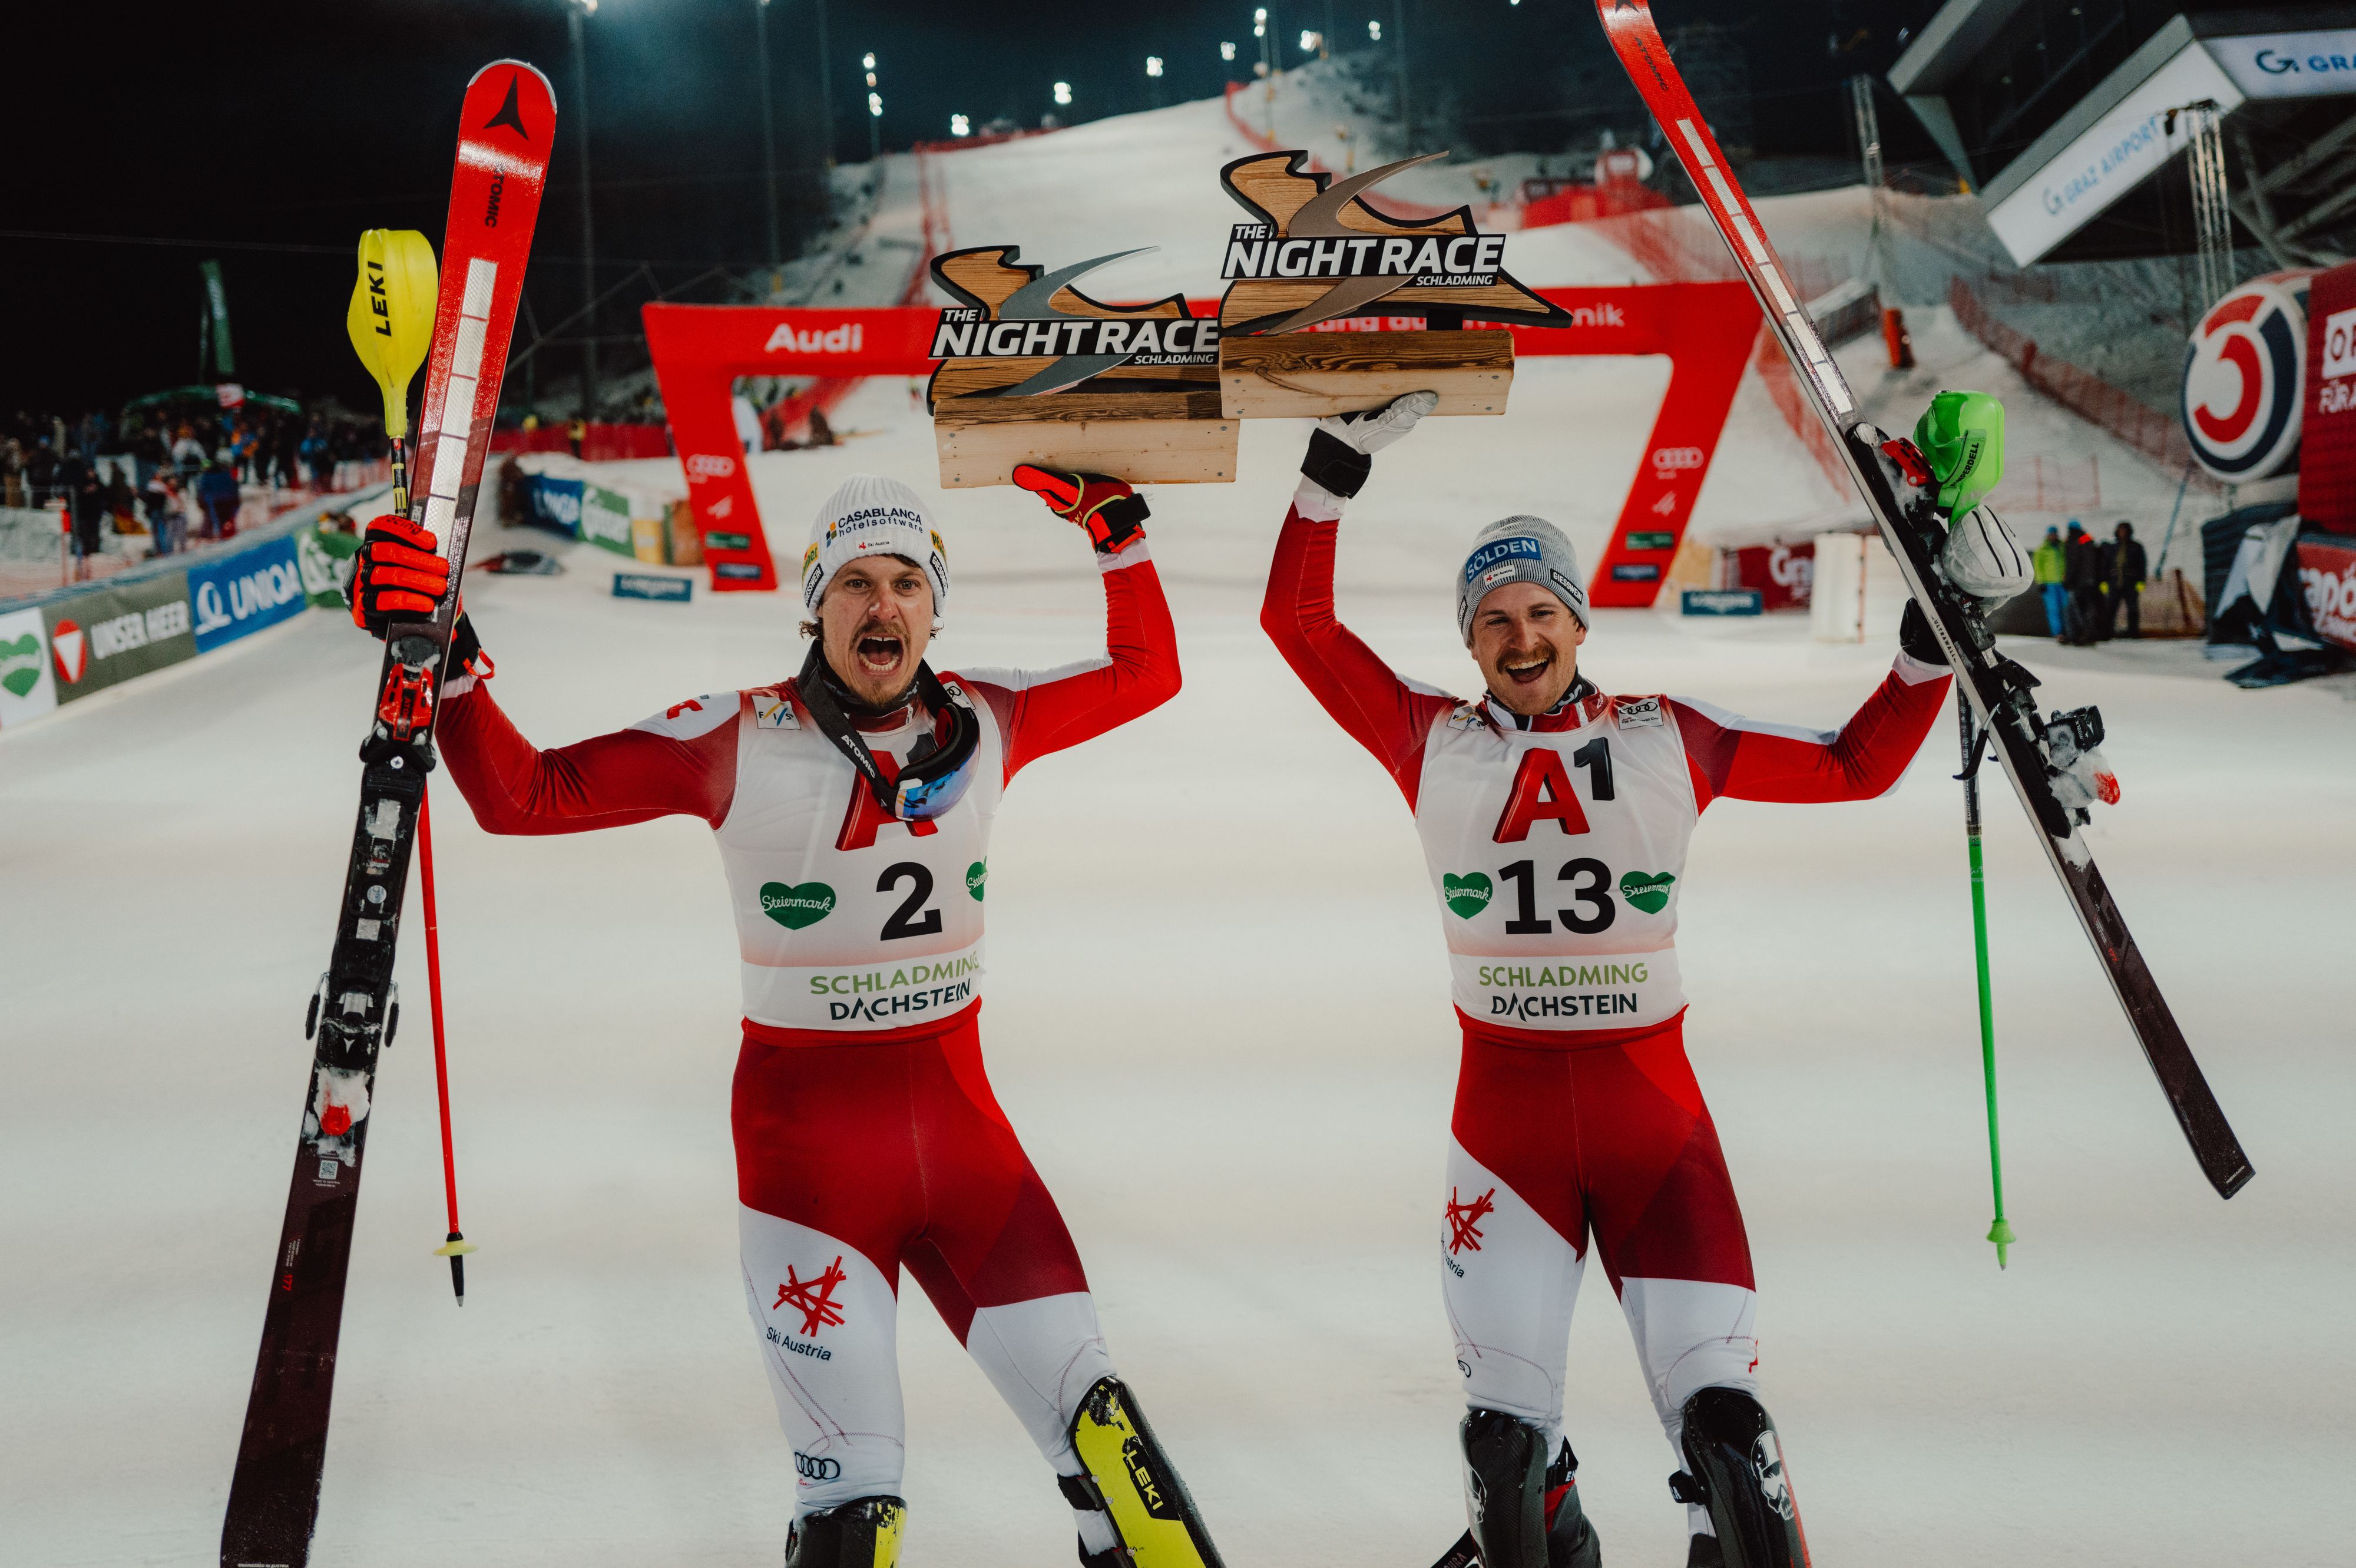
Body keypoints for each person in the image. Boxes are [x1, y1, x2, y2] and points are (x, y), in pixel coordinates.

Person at [346, 469, 1222, 1568]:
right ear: (816, 603)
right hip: (811, 1180)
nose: (883, 605)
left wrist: (1117, 529)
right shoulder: (741, 733)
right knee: (853, 1515)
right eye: (855, 581)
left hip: (968, 1151)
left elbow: (1151, 671)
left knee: (1120, 1464)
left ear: (936, 607)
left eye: (907, 581)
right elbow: (525, 796)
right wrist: (448, 656)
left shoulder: (988, 719)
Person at [1259, 391, 2030, 1568]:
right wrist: (1333, 466)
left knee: (1729, 1442)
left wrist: (1933, 640)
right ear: (1467, 642)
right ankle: (1556, 1528)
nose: (1518, 639)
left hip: (1650, 1122)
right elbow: (1299, 623)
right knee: (1504, 1459)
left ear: (1577, 621)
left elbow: (1853, 764)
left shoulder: (1664, 734)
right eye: (1492, 622)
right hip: (1504, 1136)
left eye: (1539, 612)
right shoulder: (1430, 740)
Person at [2102, 521, 2147, 640]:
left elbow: (2142, 565)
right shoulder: (2113, 548)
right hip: (2114, 582)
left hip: (2131, 582)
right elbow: (2106, 565)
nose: (2122, 533)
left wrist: (2141, 581)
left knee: (2132, 608)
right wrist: (2104, 581)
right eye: (2120, 530)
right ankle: (2107, 633)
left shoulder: (2136, 547)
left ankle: (2133, 633)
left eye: (2124, 530)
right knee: (2111, 609)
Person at [2063, 521, 2104, 644]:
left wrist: (2069, 580)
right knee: (2086, 609)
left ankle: (2081, 635)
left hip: (2079, 583)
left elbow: (2074, 563)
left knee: (2077, 610)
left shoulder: (2075, 541)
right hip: (2089, 582)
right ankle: (2082, 634)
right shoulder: (2087, 539)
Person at [2033, 525, 2067, 637]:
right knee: (2053, 609)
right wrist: (2041, 582)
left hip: (2062, 583)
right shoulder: (2042, 550)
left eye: (2054, 534)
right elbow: (2038, 567)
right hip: (2049, 584)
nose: (2053, 536)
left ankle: (2068, 631)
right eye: (2051, 534)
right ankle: (2058, 633)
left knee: (2065, 608)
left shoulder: (2063, 547)